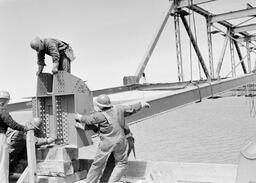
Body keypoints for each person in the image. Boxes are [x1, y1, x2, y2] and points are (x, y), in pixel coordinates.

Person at [75, 94, 150, 183]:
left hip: (107, 143)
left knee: (97, 164)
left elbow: (90, 120)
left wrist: (79, 117)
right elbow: (132, 108)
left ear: (99, 106)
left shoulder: (100, 115)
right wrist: (141, 104)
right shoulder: (119, 109)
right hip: (121, 141)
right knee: (121, 163)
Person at [0, 91, 40, 182]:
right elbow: (11, 123)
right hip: (0, 138)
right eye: (7, 102)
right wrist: (24, 128)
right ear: (4, 101)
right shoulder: (2, 109)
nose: (7, 104)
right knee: (3, 165)